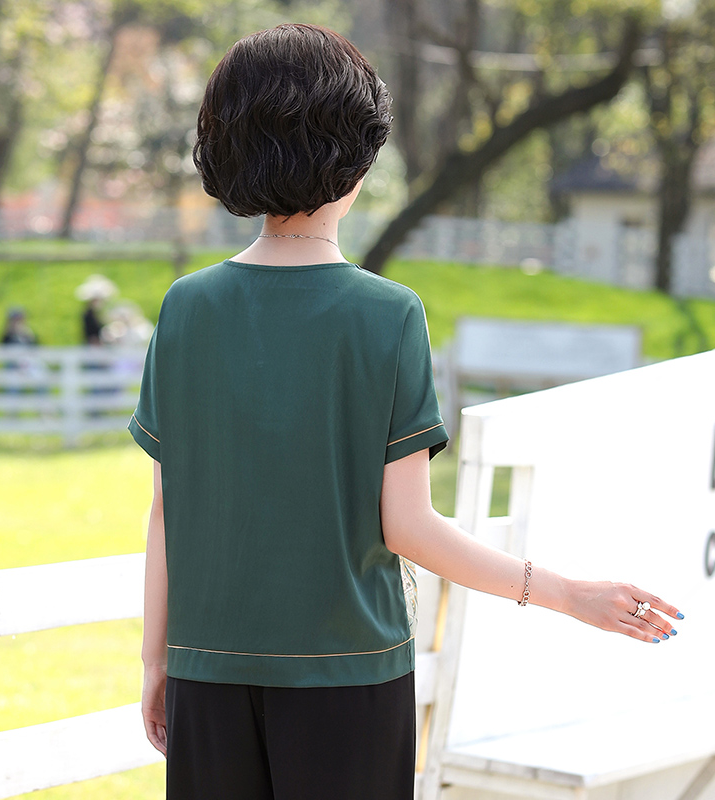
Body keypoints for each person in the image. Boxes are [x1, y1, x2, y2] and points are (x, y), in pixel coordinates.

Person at [128, 24, 682, 800]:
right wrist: (566, 593)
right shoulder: (387, 315)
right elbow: (409, 528)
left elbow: (165, 512)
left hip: (205, 678)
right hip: (349, 682)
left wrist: (157, 664)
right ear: (353, 161)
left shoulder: (186, 309)